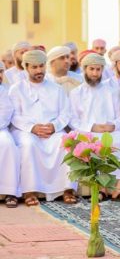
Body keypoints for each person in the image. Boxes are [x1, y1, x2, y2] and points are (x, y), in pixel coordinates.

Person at [69, 53, 120, 203]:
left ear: (102, 70)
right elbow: (72, 119)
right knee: (96, 146)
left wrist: (113, 125)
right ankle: (101, 190)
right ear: (84, 69)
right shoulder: (76, 93)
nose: (95, 73)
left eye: (98, 69)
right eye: (91, 69)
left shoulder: (112, 90)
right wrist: (92, 127)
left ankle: (119, 189)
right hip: (88, 132)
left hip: (112, 131)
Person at [8, 50, 77, 205]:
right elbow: (14, 115)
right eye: (34, 67)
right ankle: (29, 191)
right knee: (28, 144)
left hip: (52, 130)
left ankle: (67, 189)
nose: (39, 70)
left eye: (41, 66)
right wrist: (32, 128)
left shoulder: (56, 89)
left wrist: (54, 126)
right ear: (26, 67)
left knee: (65, 143)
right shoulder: (16, 89)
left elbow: (66, 113)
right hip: (25, 130)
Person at [0, 61, 19, 208]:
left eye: (1, 72)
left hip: (1, 129)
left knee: (8, 144)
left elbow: (5, 114)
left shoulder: (4, 91)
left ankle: (9, 192)